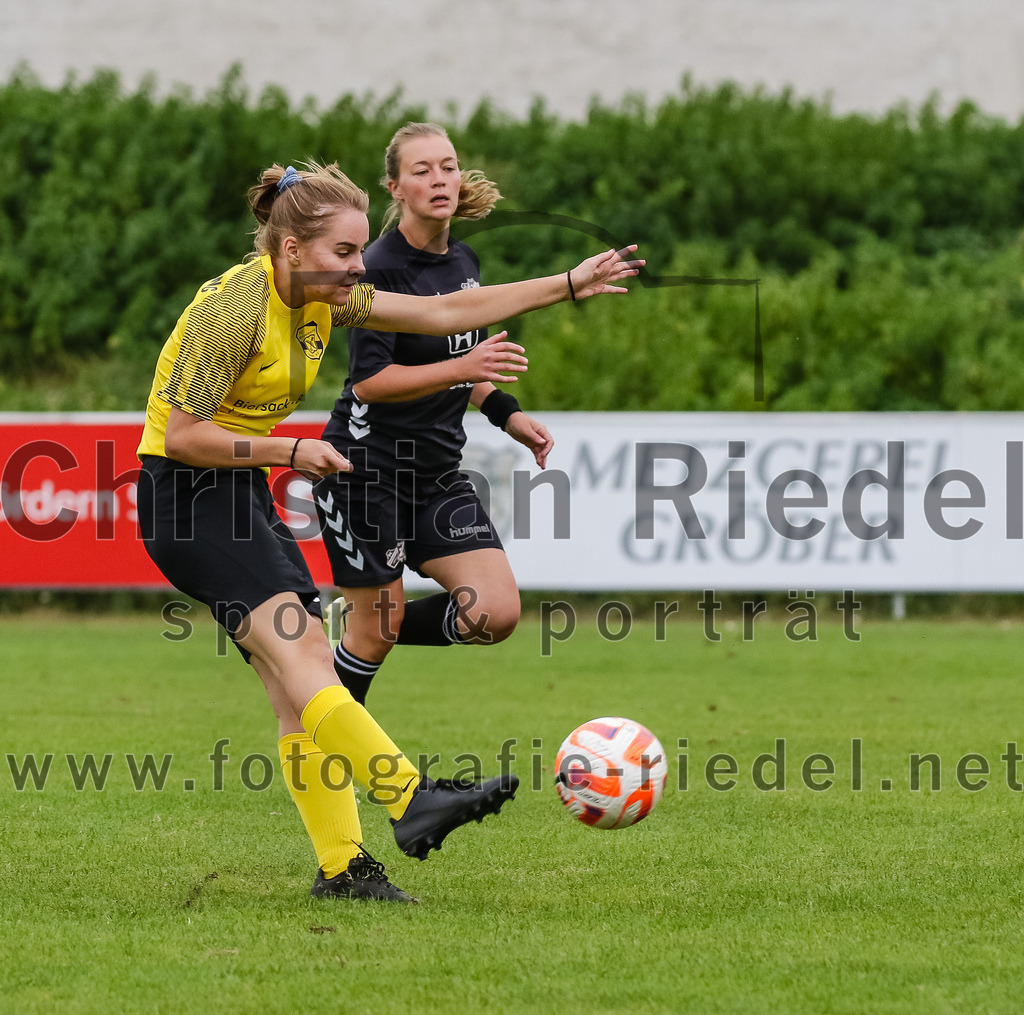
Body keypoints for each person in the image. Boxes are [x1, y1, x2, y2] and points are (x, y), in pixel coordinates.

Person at [134, 160, 643, 904]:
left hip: (233, 492)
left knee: (293, 690)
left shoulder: (320, 300)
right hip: (186, 498)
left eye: (357, 253)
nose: (356, 267)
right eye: (344, 253)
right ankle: (408, 798)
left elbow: (441, 316)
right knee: (307, 652)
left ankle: (343, 868)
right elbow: (180, 436)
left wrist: (567, 283)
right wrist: (291, 450)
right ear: (292, 249)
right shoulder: (233, 309)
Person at [314, 123, 551, 713]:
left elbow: (461, 366)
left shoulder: (463, 260)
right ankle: (324, 750)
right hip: (365, 470)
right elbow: (372, 381)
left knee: (494, 614)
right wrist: (464, 366)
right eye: (421, 170)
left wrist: (506, 413)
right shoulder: (375, 269)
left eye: (447, 165)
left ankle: (347, 641)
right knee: (374, 631)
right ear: (395, 186)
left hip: (436, 474)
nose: (439, 178)